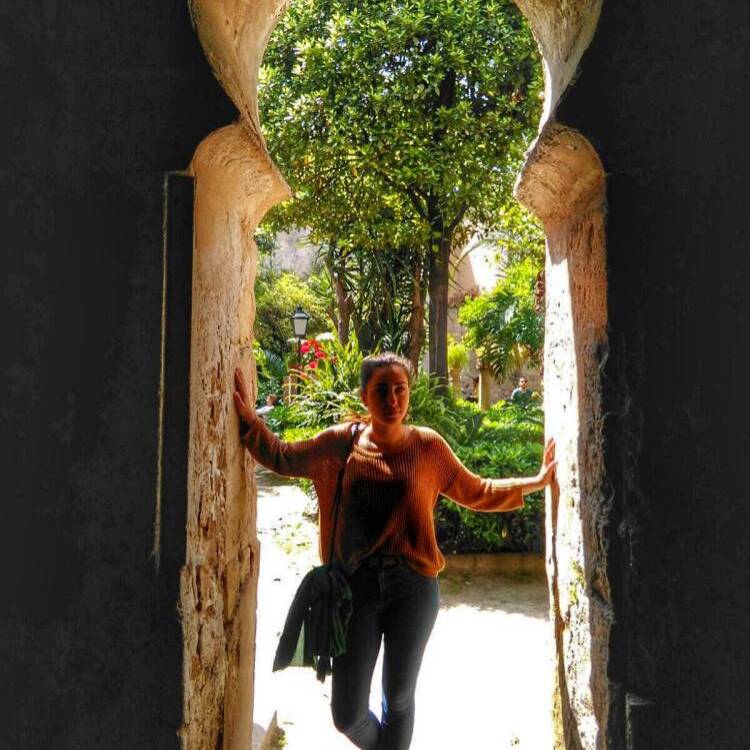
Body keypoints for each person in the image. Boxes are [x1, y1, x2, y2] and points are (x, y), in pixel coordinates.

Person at [233, 353, 556, 750]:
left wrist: (535, 482)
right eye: (382, 390)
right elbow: (283, 457)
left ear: (409, 393)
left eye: (400, 389)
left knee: (399, 698)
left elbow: (476, 490)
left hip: (414, 589)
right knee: (347, 713)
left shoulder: (427, 446)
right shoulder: (340, 443)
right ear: (364, 396)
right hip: (355, 590)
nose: (392, 399)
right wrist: (249, 422)